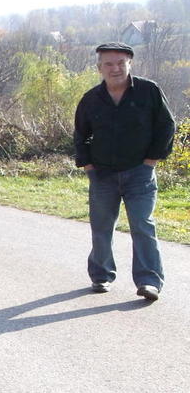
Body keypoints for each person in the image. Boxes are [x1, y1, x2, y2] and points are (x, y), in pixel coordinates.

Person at [74, 42, 175, 301]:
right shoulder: (90, 99)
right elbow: (81, 135)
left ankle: (149, 282)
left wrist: (151, 160)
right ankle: (101, 275)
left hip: (139, 172)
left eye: (120, 62)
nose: (115, 68)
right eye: (108, 63)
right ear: (100, 68)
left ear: (130, 64)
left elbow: (166, 126)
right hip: (103, 175)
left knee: (142, 225)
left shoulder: (148, 91)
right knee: (101, 226)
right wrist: (88, 166)